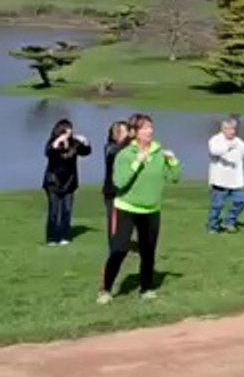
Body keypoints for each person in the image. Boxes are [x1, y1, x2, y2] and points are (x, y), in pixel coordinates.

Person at [98, 114, 182, 304]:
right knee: (119, 250)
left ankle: (145, 288)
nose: (149, 131)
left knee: (148, 251)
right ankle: (105, 290)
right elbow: (119, 182)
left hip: (151, 210)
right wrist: (137, 161)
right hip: (126, 208)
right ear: (134, 132)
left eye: (150, 127)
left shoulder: (158, 153)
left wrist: (172, 161)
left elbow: (175, 177)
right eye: (144, 128)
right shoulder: (125, 154)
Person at [207, 118, 244, 234]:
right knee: (217, 205)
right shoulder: (215, 140)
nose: (232, 131)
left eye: (234, 129)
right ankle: (213, 226)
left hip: (235, 181)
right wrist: (228, 147)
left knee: (241, 201)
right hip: (220, 180)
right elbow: (214, 151)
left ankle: (229, 221)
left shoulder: (237, 141)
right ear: (223, 129)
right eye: (229, 129)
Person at [42, 119, 91, 246]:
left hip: (69, 182)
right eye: (67, 129)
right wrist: (59, 141)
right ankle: (52, 237)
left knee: (67, 210)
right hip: (53, 181)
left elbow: (86, 152)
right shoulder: (53, 142)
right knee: (54, 210)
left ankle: (65, 236)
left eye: (70, 129)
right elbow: (48, 152)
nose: (70, 132)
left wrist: (85, 141)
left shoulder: (74, 143)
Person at [101, 121, 129, 237]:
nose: (128, 135)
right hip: (112, 190)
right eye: (124, 132)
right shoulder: (110, 148)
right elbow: (116, 152)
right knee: (113, 220)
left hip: (126, 190)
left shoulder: (129, 149)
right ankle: (114, 244)